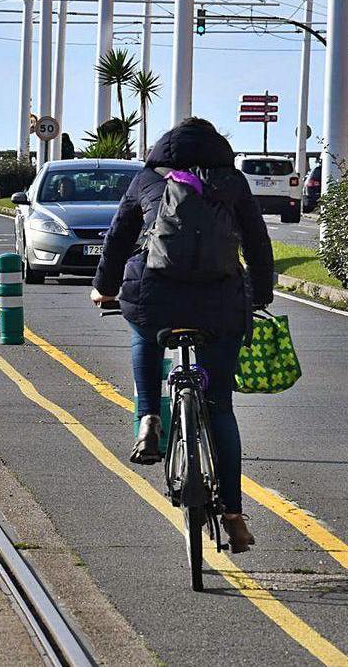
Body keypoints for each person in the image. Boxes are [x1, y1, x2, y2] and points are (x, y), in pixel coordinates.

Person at [90, 117, 274, 553]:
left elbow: (117, 239)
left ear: (164, 147)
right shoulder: (233, 183)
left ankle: (149, 417)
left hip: (155, 296)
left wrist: (105, 288)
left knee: (143, 332)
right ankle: (233, 515)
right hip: (220, 304)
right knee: (221, 407)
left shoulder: (146, 179)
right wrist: (259, 294)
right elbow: (258, 242)